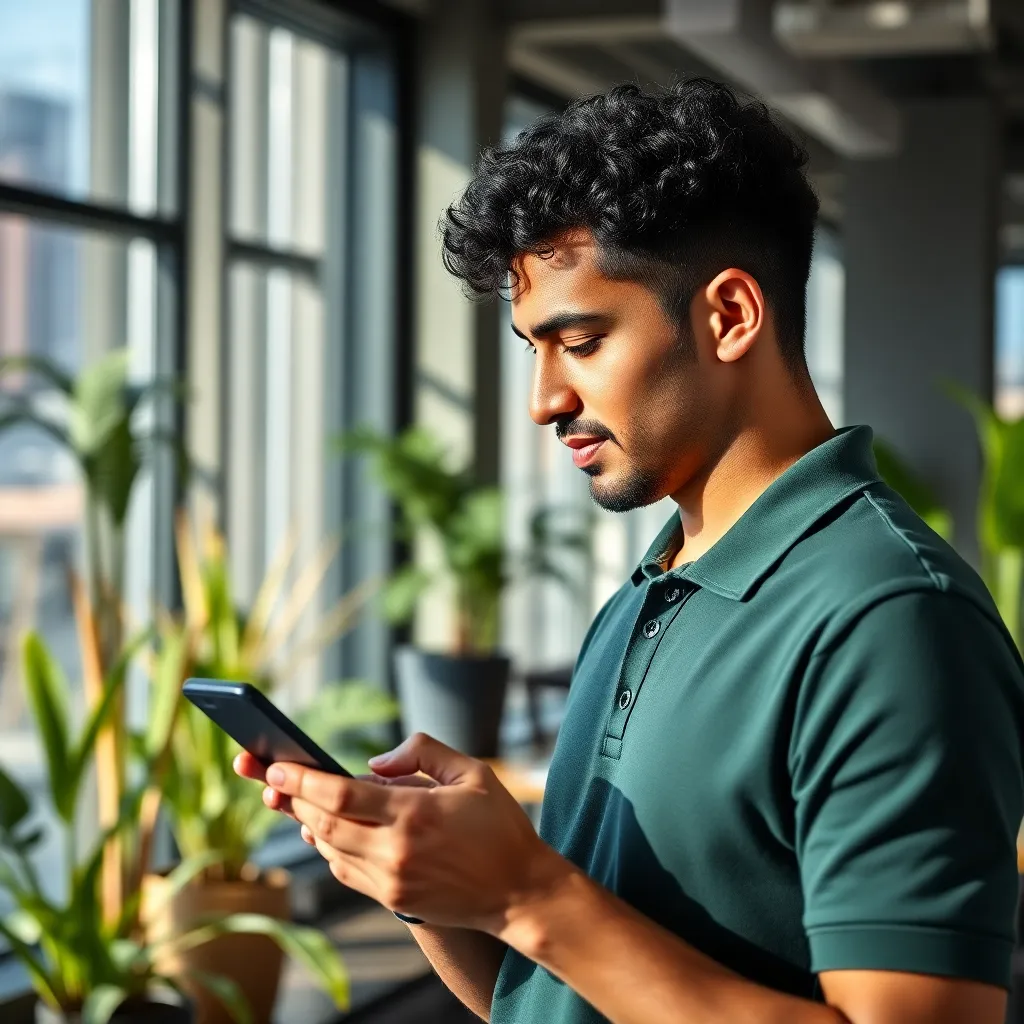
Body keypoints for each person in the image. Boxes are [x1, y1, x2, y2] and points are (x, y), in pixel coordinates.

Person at [235, 78, 1024, 1024]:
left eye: (583, 341)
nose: (544, 399)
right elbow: (556, 999)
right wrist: (433, 882)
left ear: (730, 316)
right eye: (535, 348)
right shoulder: (650, 592)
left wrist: (528, 892)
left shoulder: (891, 617)